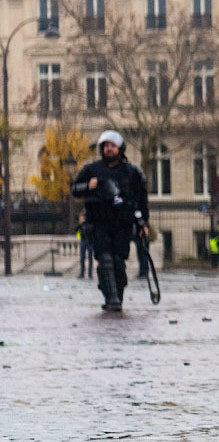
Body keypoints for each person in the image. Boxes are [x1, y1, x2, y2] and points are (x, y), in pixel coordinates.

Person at [70, 130, 149, 312]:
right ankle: (112, 298)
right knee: (105, 259)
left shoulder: (132, 172)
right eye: (106, 146)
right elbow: (74, 189)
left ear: (120, 148)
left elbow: (141, 199)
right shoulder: (92, 169)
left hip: (122, 223)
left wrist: (143, 222)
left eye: (112, 146)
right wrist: (86, 186)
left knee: (118, 261)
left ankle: (117, 296)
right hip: (99, 223)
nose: (109, 149)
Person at [76, 210, 94, 279]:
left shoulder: (89, 223)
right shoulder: (81, 225)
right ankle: (82, 273)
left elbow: (92, 230)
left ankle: (90, 274)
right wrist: (80, 224)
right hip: (83, 241)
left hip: (89, 241)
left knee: (90, 258)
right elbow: (77, 232)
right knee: (82, 258)